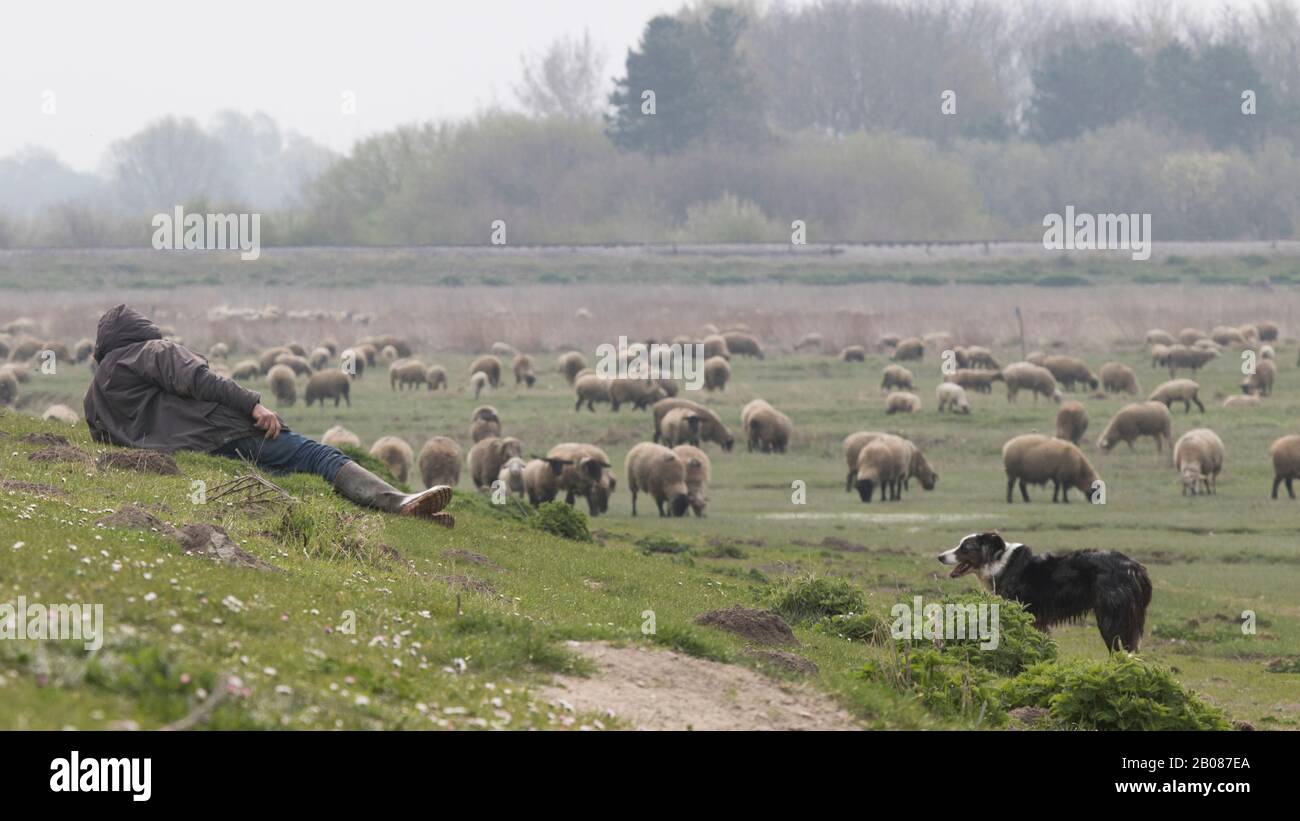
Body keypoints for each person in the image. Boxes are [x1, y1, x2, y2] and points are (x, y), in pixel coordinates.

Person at [82, 304, 453, 527]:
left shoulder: (95, 391)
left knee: (285, 470)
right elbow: (200, 379)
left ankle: (396, 508)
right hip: (214, 433)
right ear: (138, 329)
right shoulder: (153, 350)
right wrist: (253, 405)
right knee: (315, 454)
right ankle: (398, 502)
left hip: (180, 452)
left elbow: (104, 434)